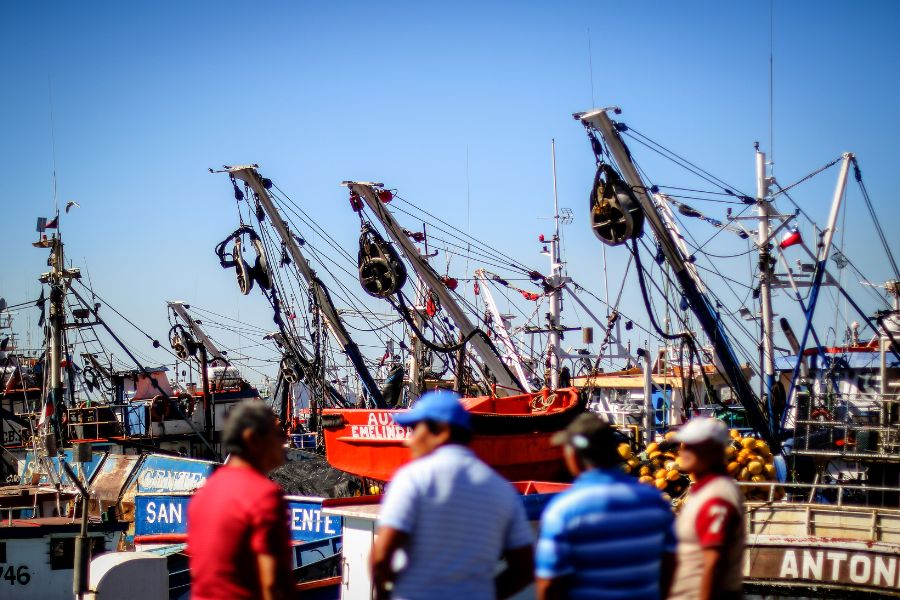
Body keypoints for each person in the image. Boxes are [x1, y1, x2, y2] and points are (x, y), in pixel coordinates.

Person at [370, 389, 535, 600]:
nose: (408, 441)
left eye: (413, 429)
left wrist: (384, 594)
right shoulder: (502, 489)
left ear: (441, 431)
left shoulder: (413, 478)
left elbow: (382, 556)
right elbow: (524, 568)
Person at [535, 413, 677, 600]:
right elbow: (670, 564)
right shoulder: (655, 502)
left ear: (574, 456)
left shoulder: (564, 509)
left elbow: (549, 584)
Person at [187, 401, 294, 600]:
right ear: (252, 439)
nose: (284, 441)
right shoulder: (264, 496)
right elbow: (272, 585)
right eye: (278, 435)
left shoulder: (204, 495)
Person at [668, 418, 745, 600]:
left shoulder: (716, 496)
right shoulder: (702, 490)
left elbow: (713, 562)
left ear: (711, 450)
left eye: (690, 447)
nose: (682, 451)